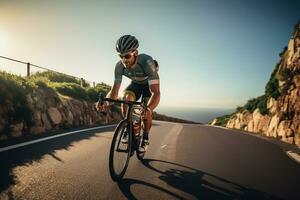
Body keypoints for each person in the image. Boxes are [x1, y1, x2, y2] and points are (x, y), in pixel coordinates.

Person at [96, 35, 160, 152]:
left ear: (135, 53)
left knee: (146, 113)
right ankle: (128, 127)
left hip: (148, 87)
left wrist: (149, 109)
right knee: (125, 98)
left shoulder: (147, 62)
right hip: (135, 85)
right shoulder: (119, 66)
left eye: (127, 56)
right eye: (121, 56)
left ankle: (145, 137)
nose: (124, 60)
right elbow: (115, 91)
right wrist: (106, 103)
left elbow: (156, 92)